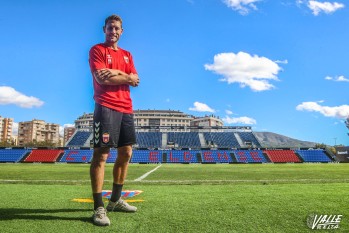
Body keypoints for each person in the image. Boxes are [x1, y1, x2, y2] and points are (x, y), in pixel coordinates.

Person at [88, 14, 140, 226]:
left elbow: (135, 80)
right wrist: (125, 76)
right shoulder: (97, 50)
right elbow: (101, 77)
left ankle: (116, 200)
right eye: (110, 28)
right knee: (101, 154)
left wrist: (119, 75)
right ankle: (98, 207)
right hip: (106, 106)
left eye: (117, 28)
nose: (113, 31)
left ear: (122, 31)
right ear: (104, 29)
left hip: (126, 108)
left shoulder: (128, 54)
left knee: (126, 153)